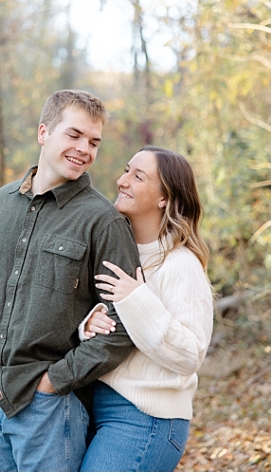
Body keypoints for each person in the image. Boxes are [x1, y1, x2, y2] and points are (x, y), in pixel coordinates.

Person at [0, 89, 141, 472]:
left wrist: (55, 381)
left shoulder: (103, 222)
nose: (84, 149)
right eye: (73, 135)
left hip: (46, 409)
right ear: (44, 132)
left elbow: (125, 323)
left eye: (93, 142)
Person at [78, 146, 214, 472]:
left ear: (164, 198)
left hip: (147, 418)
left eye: (138, 177)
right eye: (127, 170)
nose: (122, 181)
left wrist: (136, 299)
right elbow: (116, 325)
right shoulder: (117, 250)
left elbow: (190, 354)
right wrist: (89, 325)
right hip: (97, 402)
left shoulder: (181, 264)